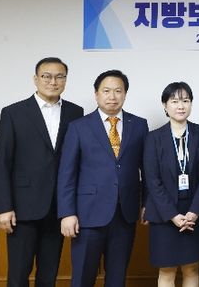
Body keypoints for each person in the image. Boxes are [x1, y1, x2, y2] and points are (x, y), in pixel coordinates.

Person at [0, 57, 83, 287]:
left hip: (58, 207)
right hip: (22, 208)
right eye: (47, 76)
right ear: (36, 79)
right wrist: (3, 207)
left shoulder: (75, 112)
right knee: (18, 274)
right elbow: (1, 162)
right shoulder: (13, 113)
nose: (53, 82)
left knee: (49, 273)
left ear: (65, 80)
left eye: (60, 76)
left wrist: (71, 206)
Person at [57, 69, 149, 287]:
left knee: (117, 278)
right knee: (82, 277)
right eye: (106, 91)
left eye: (118, 91)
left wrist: (146, 203)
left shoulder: (139, 125)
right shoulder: (79, 127)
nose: (112, 96)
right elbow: (67, 173)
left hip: (125, 214)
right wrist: (67, 213)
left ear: (125, 94)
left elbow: (147, 169)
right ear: (96, 94)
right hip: (87, 215)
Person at [143, 82, 199, 287]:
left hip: (194, 212)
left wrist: (195, 211)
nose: (180, 106)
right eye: (174, 101)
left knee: (192, 268)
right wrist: (172, 215)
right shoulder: (153, 138)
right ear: (165, 105)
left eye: (185, 101)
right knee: (167, 270)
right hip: (164, 214)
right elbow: (152, 180)